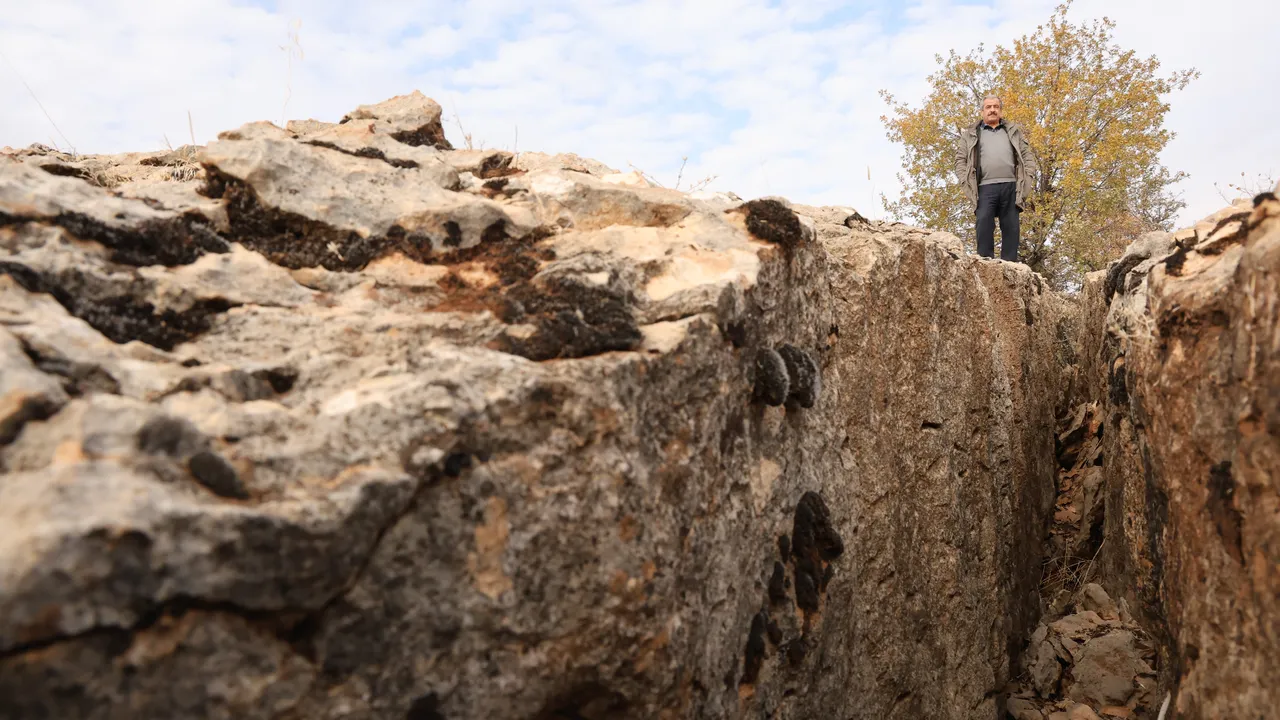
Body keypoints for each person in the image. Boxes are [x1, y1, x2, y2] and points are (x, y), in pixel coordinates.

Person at [953, 95, 1038, 262]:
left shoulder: (1013, 131)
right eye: (988, 107)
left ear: (1000, 110)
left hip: (1011, 186)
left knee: (1011, 229)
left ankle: (1011, 269)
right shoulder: (970, 134)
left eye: (996, 107)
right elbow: (960, 160)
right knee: (983, 225)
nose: (992, 110)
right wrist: (965, 182)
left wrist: (1027, 179)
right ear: (982, 111)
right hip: (984, 187)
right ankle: (985, 267)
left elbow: (1027, 156)